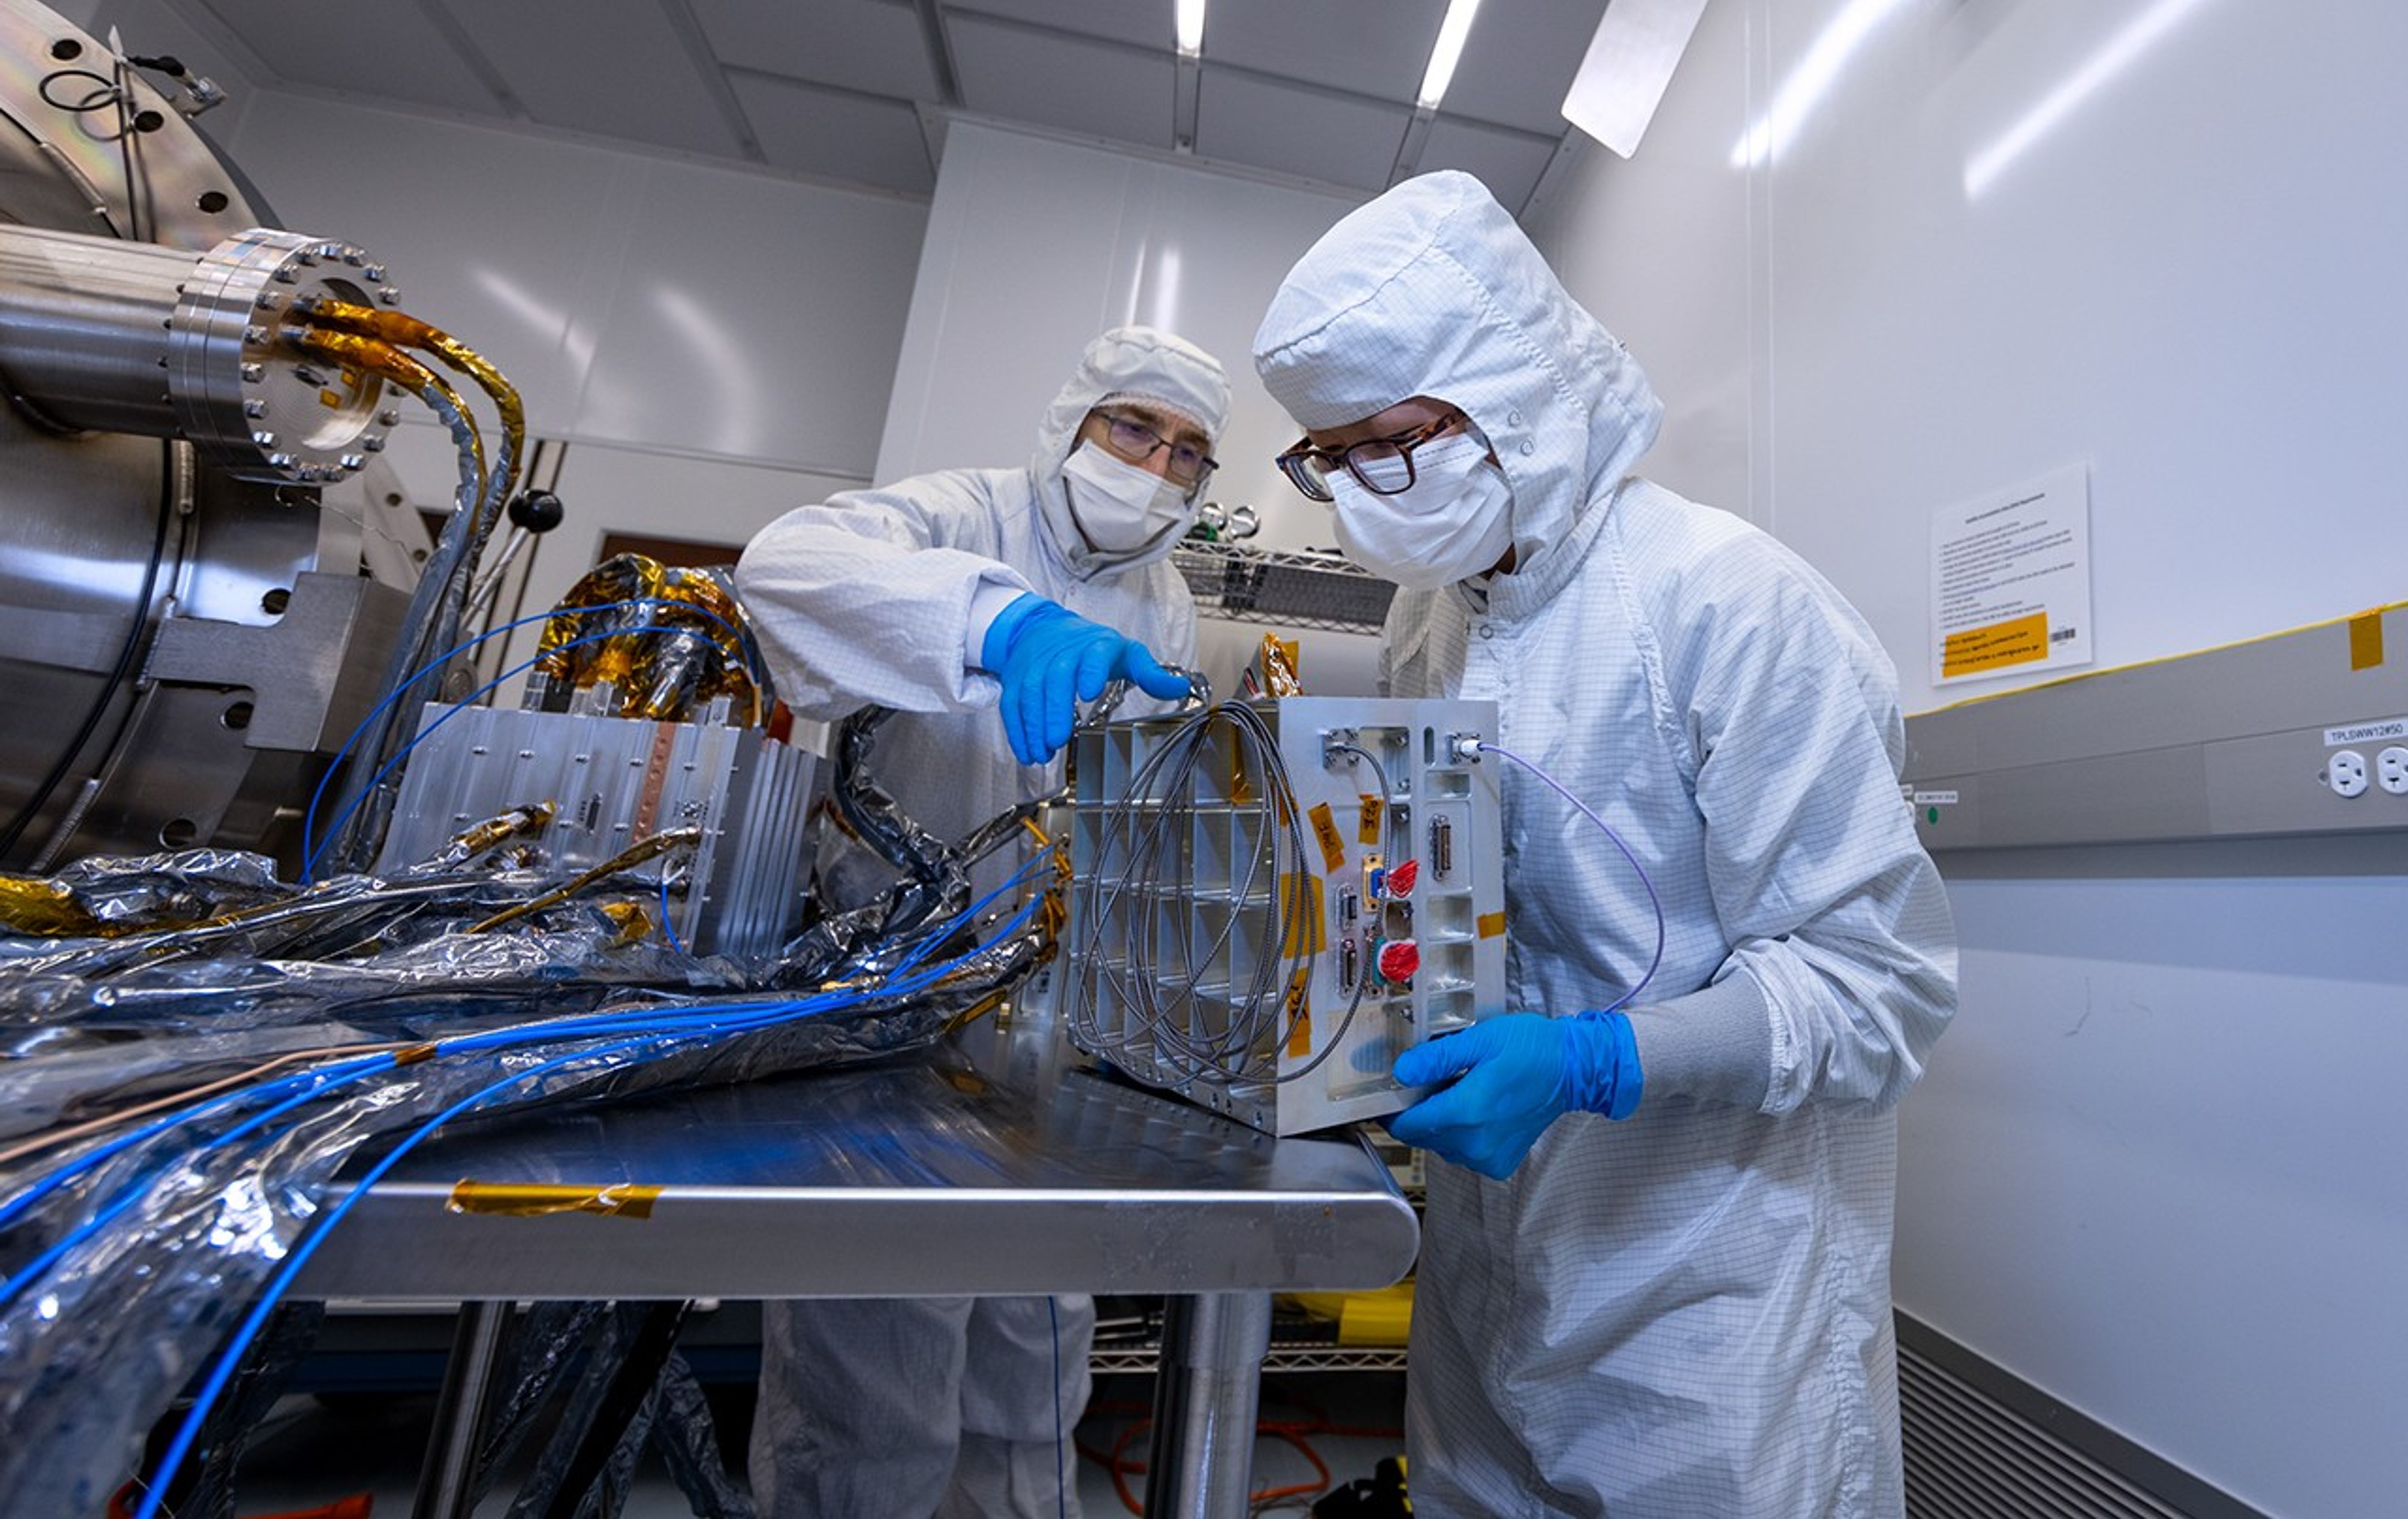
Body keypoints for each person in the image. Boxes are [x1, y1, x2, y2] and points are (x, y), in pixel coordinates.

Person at [1251, 171, 1958, 1517]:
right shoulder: (1432, 626)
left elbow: (1880, 989)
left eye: (1387, 443)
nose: (1360, 494)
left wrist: (1596, 1057)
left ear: (1510, 393)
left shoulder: (1726, 604)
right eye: (1329, 460)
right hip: (1492, 1263)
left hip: (1709, 1299)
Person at [734, 325, 1232, 1518]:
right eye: (1132, 428)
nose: (1155, 467)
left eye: (1187, 453)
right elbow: (786, 565)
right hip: (896, 996)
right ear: (1072, 422)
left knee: (1036, 1339)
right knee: (883, 1349)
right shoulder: (961, 514)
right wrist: (998, 628)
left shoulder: (1165, 602)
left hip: (1057, 1012)